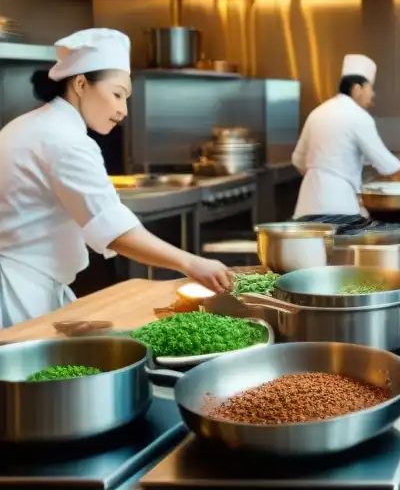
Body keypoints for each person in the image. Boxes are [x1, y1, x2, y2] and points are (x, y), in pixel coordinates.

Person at [0, 29, 232, 329]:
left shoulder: (36, 124)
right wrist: (192, 263)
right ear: (81, 83)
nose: (122, 110)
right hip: (17, 292)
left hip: (30, 282)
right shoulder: (64, 141)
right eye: (117, 94)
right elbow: (116, 232)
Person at [292, 54, 400, 218]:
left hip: (306, 208)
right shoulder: (359, 117)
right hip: (339, 209)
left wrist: (321, 174)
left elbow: (298, 160)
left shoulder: (317, 112)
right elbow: (387, 165)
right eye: (370, 88)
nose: (372, 95)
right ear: (357, 88)